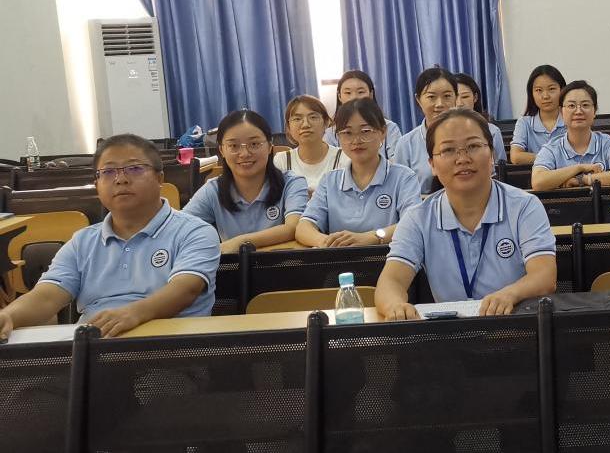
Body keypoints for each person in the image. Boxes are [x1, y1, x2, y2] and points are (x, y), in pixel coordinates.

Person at [0, 134, 220, 339]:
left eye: (134, 168)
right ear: (96, 184)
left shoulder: (194, 232)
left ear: (159, 178)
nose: (120, 179)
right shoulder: (82, 242)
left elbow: (185, 289)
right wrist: (9, 316)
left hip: (172, 349)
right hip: (94, 347)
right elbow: (47, 295)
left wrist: (133, 314)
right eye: (108, 172)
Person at [376, 109, 557, 320]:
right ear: (432, 164)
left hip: (514, 324)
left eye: (473, 146)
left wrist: (510, 294)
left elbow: (544, 275)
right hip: (451, 332)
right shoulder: (418, 218)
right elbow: (391, 281)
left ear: (492, 154)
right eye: (448, 150)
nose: (462, 158)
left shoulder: (524, 206)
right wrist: (395, 306)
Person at [296, 98, 422, 247]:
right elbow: (303, 227)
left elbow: (413, 224)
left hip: (389, 258)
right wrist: (327, 242)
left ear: (382, 132)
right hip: (340, 258)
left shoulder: (404, 177)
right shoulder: (330, 181)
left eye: (365, 131)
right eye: (347, 133)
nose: (356, 140)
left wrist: (373, 237)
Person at [183, 110, 308, 253]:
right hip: (235, 266)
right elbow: (179, 229)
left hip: (283, 265)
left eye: (254, 144)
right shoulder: (213, 190)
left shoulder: (292, 183)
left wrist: (240, 243)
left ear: (269, 146)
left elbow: (294, 227)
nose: (244, 154)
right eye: (233, 146)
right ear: (222, 150)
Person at [531, 80, 610, 191]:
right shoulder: (551, 148)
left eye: (585, 105)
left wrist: (583, 179)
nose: (578, 111)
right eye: (571, 105)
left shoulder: (608, 143)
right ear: (561, 112)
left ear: (594, 110)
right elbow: (537, 182)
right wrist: (579, 168)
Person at [394, 66, 459, 194]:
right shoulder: (406, 144)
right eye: (431, 97)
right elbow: (400, 191)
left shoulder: (470, 136)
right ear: (418, 100)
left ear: (456, 97)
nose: (440, 104)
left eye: (447, 96)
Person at [273, 95, 350, 192]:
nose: (305, 124)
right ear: (289, 126)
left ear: (326, 122)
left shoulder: (344, 158)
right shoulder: (281, 161)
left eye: (313, 117)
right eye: (297, 119)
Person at [324, 70, 403, 160]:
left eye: (361, 92)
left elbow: (397, 161)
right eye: (348, 93)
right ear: (339, 97)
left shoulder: (390, 128)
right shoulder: (331, 133)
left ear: (371, 94)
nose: (354, 97)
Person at [509, 65, 568, 164]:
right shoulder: (525, 123)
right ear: (531, 94)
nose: (545, 96)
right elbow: (516, 157)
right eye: (539, 90)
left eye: (551, 89)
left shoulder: (571, 119)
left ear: (562, 90)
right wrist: (553, 158)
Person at [454, 72, 507, 162]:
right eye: (454, 97)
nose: (459, 103)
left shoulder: (492, 131)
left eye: (465, 97)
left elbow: (500, 166)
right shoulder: (441, 132)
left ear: (475, 97)